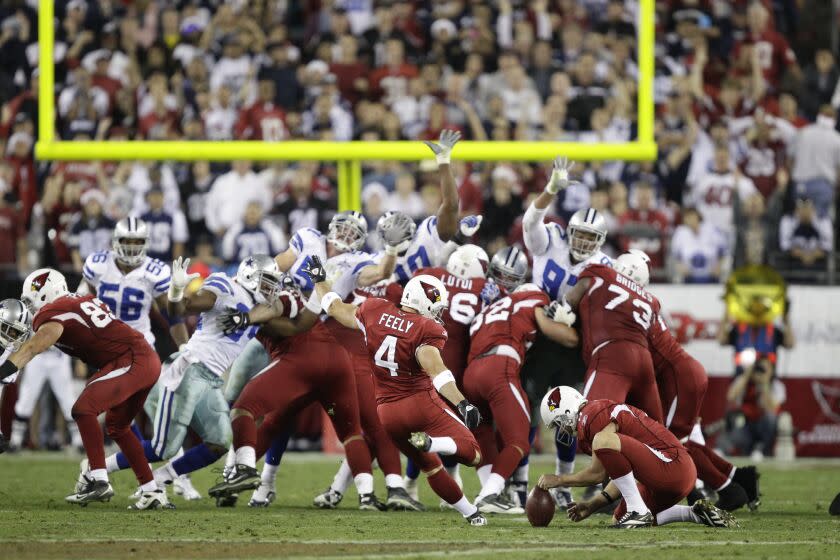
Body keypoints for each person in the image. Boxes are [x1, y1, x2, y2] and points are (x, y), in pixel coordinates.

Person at [306, 256, 488, 526]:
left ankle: (471, 514)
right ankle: (433, 443)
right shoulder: (427, 327)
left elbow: (333, 307)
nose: (438, 314)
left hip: (387, 413)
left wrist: (320, 280)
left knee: (431, 467)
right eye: (436, 307)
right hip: (419, 405)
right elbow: (436, 370)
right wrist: (463, 404)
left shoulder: (373, 309)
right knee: (474, 454)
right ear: (425, 303)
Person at [95, 255, 278, 494]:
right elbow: (181, 308)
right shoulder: (226, 286)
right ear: (248, 276)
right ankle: (96, 468)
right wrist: (176, 290)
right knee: (164, 448)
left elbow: (276, 307)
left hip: (211, 379)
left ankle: (160, 478)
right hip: (191, 369)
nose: (269, 288)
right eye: (266, 282)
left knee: (220, 442)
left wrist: (248, 316)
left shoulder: (257, 305)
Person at [207, 273, 387, 511]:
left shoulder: (280, 297)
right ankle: (367, 496)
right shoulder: (265, 301)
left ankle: (244, 470)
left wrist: (246, 318)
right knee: (351, 433)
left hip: (302, 363)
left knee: (245, 409)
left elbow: (283, 318)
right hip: (336, 363)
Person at [0, 269, 167, 509]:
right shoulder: (78, 300)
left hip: (132, 360)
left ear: (47, 295)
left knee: (82, 408)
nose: (31, 308)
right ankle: (151, 491)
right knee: (118, 427)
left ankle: (98, 479)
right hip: (142, 358)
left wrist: (5, 369)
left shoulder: (52, 311)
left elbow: (37, 344)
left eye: (32, 300)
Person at [616, 250, 760, 512]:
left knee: (672, 445)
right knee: (683, 442)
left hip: (678, 378)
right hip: (680, 376)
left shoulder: (631, 305)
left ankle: (726, 489)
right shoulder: (645, 301)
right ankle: (736, 480)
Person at [521, 155, 612, 508]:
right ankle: (517, 482)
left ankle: (562, 480)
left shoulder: (604, 266)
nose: (585, 243)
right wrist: (550, 190)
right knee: (526, 408)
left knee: (568, 416)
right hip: (538, 336)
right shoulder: (552, 240)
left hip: (574, 345)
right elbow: (531, 221)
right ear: (569, 231)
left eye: (592, 238)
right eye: (581, 235)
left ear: (600, 241)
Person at [465, 246, 579, 514]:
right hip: (499, 367)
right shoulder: (531, 298)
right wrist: (571, 333)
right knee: (518, 440)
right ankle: (490, 494)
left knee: (484, 434)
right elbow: (556, 333)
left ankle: (491, 491)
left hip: (470, 373)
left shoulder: (486, 309)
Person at [537, 386, 736, 529]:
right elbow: (621, 473)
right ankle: (695, 513)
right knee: (619, 518)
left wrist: (560, 480)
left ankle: (638, 510)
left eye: (558, 423)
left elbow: (597, 474)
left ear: (567, 411)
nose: (561, 429)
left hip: (672, 466)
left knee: (602, 440)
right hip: (671, 473)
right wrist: (592, 505)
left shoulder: (592, 415)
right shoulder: (596, 414)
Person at [82, 217, 189, 348]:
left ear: (146, 242)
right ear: (115, 241)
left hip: (139, 345)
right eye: (126, 241)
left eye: (138, 241)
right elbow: (86, 300)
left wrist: (185, 348)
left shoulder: (155, 272)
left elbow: (172, 317)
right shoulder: (98, 264)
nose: (132, 247)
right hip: (104, 345)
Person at [725, 350, 787, 460]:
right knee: (733, 416)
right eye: (759, 368)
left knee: (771, 417)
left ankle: (760, 449)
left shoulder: (777, 386)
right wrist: (747, 375)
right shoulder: (744, 381)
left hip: (764, 426)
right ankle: (726, 447)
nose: (761, 372)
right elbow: (731, 397)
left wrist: (764, 384)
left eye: (765, 369)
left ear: (772, 370)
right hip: (746, 424)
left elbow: (772, 408)